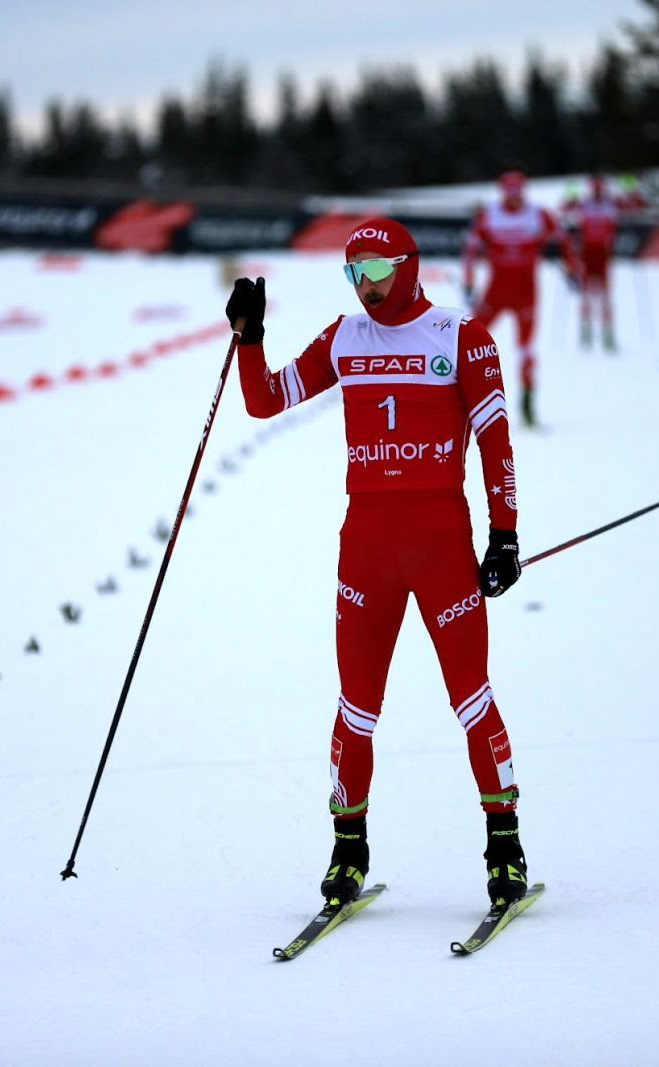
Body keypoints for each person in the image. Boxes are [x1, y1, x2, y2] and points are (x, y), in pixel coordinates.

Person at [226, 217, 530, 909]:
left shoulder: (463, 337)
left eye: (375, 273)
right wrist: (251, 339)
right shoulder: (345, 337)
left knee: (471, 696)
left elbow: (496, 443)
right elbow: (264, 399)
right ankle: (348, 848)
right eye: (352, 274)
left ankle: (504, 845)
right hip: (366, 548)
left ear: (410, 266)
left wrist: (504, 534)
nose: (365, 288)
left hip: (442, 546)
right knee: (357, 707)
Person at [463, 170, 580, 427]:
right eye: (509, 192)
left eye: (518, 192)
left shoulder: (538, 215)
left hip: (526, 293)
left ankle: (527, 403)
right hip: (495, 292)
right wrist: (469, 282)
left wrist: (572, 271)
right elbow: (471, 249)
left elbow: (564, 241)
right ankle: (464, 401)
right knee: (469, 343)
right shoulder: (489, 215)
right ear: (502, 191)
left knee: (526, 348)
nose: (514, 198)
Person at [560, 173, 645, 352]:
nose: (598, 191)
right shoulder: (585, 203)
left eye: (600, 187)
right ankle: (585, 335)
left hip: (604, 254)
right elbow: (565, 209)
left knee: (606, 296)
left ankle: (608, 336)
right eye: (595, 187)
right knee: (586, 295)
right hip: (587, 254)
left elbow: (637, 206)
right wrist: (570, 195)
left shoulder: (611, 203)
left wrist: (631, 190)